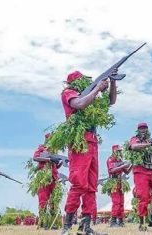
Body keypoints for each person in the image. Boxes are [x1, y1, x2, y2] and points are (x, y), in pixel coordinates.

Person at [59, 70, 117, 235]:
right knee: (79, 183)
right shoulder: (68, 93)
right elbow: (79, 104)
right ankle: (67, 226)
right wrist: (97, 88)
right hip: (80, 142)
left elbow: (111, 101)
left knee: (91, 185)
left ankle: (85, 227)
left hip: (92, 142)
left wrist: (112, 81)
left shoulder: (90, 94)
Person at [33, 133, 63, 229]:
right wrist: (49, 159)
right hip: (44, 179)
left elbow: (55, 167)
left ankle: (53, 222)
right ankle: (43, 222)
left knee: (54, 201)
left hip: (54, 178)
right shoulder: (42, 148)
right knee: (43, 201)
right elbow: (35, 157)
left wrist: (59, 162)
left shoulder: (54, 151)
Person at [106, 144, 131, 227]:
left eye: (120, 151)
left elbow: (126, 171)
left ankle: (120, 221)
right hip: (113, 182)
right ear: (114, 151)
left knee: (121, 202)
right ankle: (113, 222)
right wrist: (123, 165)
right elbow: (112, 170)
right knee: (116, 202)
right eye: (118, 151)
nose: (119, 152)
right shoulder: (110, 159)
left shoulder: (119, 160)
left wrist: (132, 164)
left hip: (120, 182)